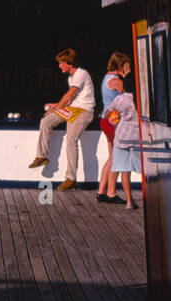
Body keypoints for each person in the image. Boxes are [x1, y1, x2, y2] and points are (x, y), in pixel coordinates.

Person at [28, 47, 95, 191]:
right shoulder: (71, 77)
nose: (59, 66)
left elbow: (69, 95)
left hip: (84, 111)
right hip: (73, 108)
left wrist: (57, 106)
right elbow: (70, 100)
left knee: (71, 140)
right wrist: (56, 105)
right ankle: (42, 156)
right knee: (46, 121)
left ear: (69, 63)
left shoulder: (81, 74)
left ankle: (71, 178)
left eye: (61, 63)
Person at [95, 52, 131, 202]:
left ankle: (101, 191)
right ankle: (111, 193)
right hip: (114, 123)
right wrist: (127, 77)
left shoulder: (106, 78)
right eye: (127, 65)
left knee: (112, 157)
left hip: (106, 120)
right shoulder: (116, 81)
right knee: (117, 157)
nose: (129, 67)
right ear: (121, 65)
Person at [109, 89, 141, 209]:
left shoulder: (119, 99)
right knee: (147, 170)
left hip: (122, 138)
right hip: (138, 137)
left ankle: (129, 202)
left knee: (125, 171)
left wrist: (115, 118)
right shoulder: (142, 98)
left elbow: (109, 117)